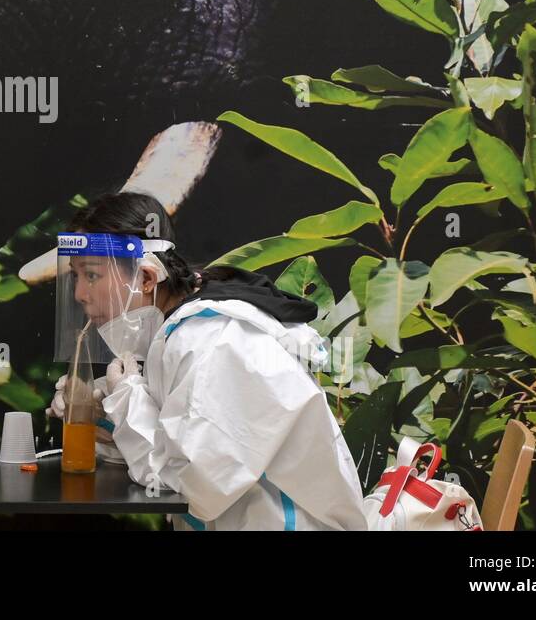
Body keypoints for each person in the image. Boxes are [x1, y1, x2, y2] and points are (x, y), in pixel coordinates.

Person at [47, 191, 367, 531]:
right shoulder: (179, 333)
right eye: (75, 276)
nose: (80, 293)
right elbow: (175, 451)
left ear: (145, 277)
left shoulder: (213, 340)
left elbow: (198, 487)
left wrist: (126, 402)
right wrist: (103, 419)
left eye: (92, 275)